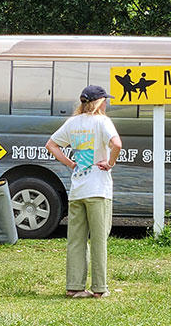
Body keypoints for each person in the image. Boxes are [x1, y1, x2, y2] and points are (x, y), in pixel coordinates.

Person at [45, 85, 122, 299]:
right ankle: (99, 288)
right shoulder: (103, 121)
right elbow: (117, 143)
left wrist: (71, 164)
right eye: (105, 100)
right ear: (100, 102)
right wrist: (110, 162)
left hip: (78, 189)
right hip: (98, 189)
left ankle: (74, 287)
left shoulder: (72, 123)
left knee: (76, 240)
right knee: (99, 239)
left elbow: (51, 145)